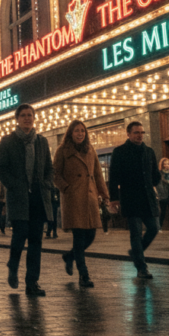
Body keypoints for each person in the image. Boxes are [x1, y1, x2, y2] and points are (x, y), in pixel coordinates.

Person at [0, 104, 54, 297]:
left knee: (36, 241)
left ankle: (32, 282)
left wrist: (45, 183)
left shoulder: (42, 142)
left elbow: (49, 168)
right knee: (19, 236)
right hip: (19, 196)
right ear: (17, 119)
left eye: (30, 115)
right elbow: (1, 169)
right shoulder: (8, 141)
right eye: (23, 115)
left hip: (38, 197)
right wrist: (15, 186)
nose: (27, 118)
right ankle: (13, 266)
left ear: (34, 118)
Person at [53, 120, 110, 288]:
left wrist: (105, 195)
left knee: (91, 235)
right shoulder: (62, 151)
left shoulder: (90, 150)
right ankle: (83, 275)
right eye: (77, 131)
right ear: (70, 133)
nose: (80, 134)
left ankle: (69, 257)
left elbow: (98, 174)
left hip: (90, 197)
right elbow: (55, 174)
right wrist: (66, 188)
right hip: (73, 198)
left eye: (82, 131)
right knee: (79, 238)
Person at [108, 121, 161, 280]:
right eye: (136, 132)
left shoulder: (149, 151)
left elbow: (155, 175)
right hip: (130, 198)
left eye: (142, 132)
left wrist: (155, 180)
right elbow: (113, 177)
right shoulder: (120, 152)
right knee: (136, 234)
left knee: (154, 228)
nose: (140, 135)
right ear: (128, 134)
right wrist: (114, 199)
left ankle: (136, 253)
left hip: (147, 199)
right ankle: (141, 268)